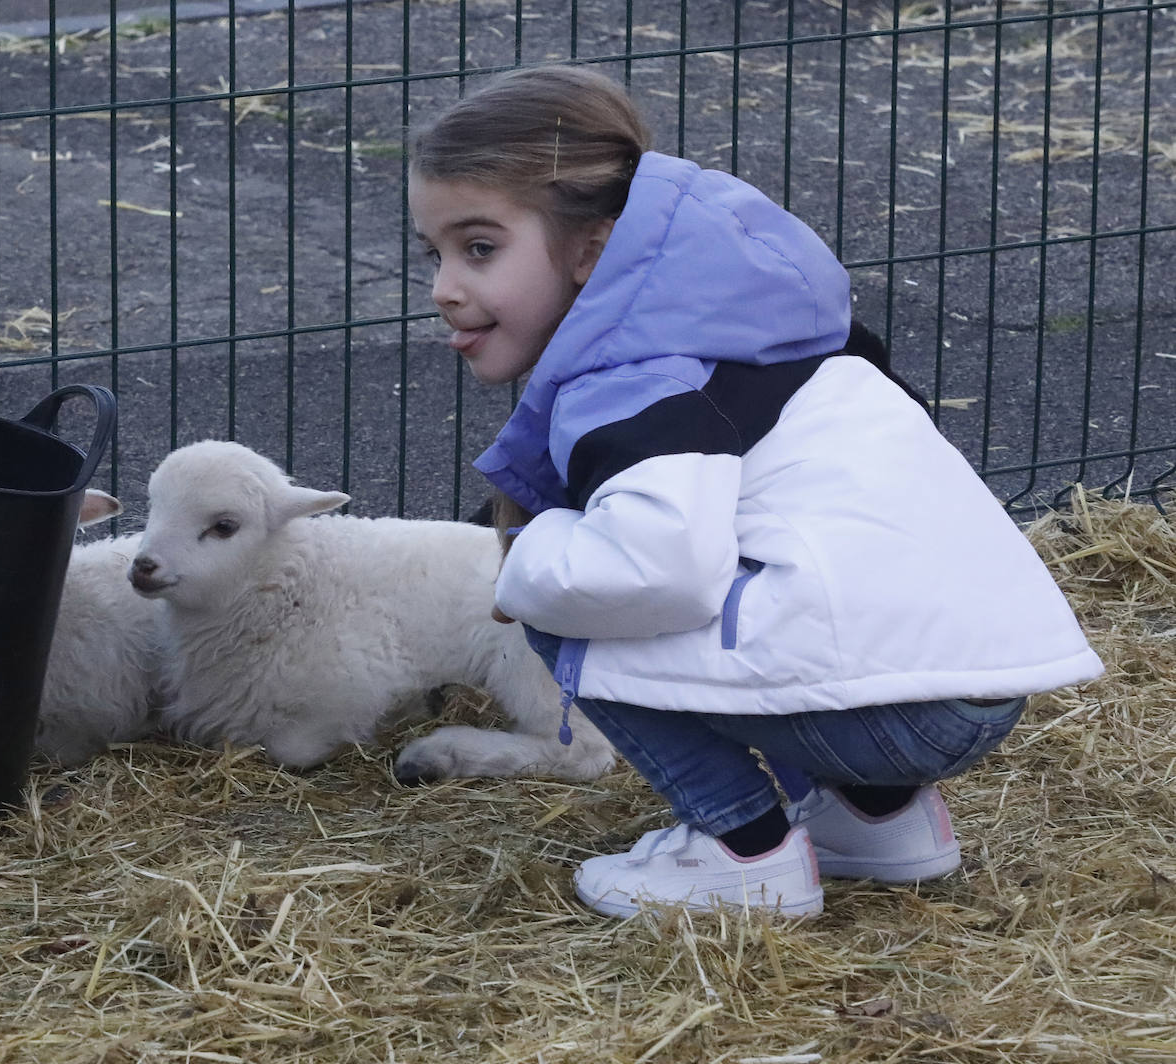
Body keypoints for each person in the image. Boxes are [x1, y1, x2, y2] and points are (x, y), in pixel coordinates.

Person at [407, 64, 1103, 918]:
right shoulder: (762, 322)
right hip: (981, 681)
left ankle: (742, 851)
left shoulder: (637, 382)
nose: (445, 285)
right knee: (747, 569)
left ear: (592, 249)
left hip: (895, 708)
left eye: (480, 248)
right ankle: (876, 817)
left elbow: (657, 571)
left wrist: (526, 562)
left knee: (569, 597)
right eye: (434, 252)